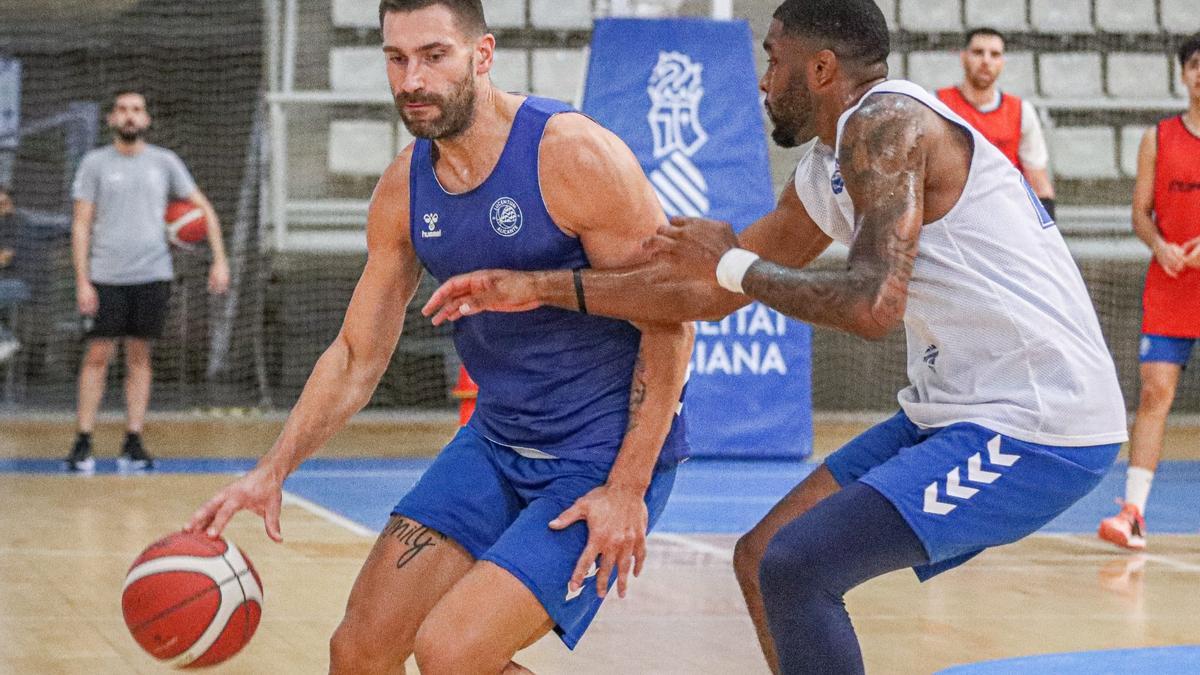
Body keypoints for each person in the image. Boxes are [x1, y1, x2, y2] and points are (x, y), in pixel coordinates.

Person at [421, 1, 1128, 672]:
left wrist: (730, 261)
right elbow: (708, 294)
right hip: (955, 409)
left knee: (800, 564)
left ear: (820, 69)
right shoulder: (829, 165)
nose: (762, 80)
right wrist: (540, 288)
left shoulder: (888, 124)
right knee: (763, 557)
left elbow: (873, 304)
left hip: (1040, 422)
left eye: (774, 58)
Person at [186, 1, 692, 672]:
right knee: (359, 650)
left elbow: (671, 317)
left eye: (433, 56)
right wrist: (272, 468)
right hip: (496, 440)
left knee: (452, 651)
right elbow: (356, 356)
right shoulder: (405, 187)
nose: (411, 80)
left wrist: (628, 484)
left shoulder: (571, 155)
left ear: (481, 55)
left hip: (598, 453)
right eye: (396, 59)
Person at [66, 90, 230, 473]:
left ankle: (133, 439)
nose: (129, 116)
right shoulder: (94, 164)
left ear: (146, 120)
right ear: (111, 119)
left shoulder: (164, 162)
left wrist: (220, 260)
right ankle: (83, 439)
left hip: (153, 275)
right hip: (106, 276)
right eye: (122, 110)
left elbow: (204, 209)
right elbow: (81, 224)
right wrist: (82, 280)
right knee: (97, 357)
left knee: (140, 358)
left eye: (137, 110)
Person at [1098, 34, 1200, 551]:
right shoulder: (1157, 138)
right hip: (1172, 285)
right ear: (1183, 74)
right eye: (1197, 66)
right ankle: (1133, 511)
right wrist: (1159, 245)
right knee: (1155, 392)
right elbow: (1140, 212)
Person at [936, 28, 1056, 219]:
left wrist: (1048, 239)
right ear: (963, 57)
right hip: (951, 215)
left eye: (995, 54)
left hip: (1005, 215)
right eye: (978, 52)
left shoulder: (1021, 111)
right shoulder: (937, 105)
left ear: (1002, 62)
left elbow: (1039, 184)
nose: (986, 60)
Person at [0, 186, 20, 364]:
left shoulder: (12, 223)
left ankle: (5, 340)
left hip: (16, 283)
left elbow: (5, 258)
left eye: (4, 203)